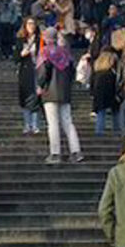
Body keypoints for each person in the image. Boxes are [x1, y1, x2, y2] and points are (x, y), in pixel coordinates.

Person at [36, 27, 83, 165]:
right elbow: (72, 72)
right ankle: (76, 151)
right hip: (64, 91)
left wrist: (40, 85)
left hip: (50, 91)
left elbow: (43, 72)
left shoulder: (45, 52)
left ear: (46, 37)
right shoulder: (66, 53)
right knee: (68, 122)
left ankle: (55, 153)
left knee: (53, 123)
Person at [16, 17, 41, 134]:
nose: (31, 26)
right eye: (29, 24)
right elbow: (15, 58)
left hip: (38, 70)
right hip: (25, 71)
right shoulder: (21, 40)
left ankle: (35, 125)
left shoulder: (40, 39)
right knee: (26, 98)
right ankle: (27, 125)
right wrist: (21, 54)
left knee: (36, 97)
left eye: (33, 24)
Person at [93, 48, 122, 136]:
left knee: (101, 115)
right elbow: (113, 86)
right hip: (111, 95)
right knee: (115, 113)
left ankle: (99, 132)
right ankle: (116, 130)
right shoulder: (111, 74)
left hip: (99, 96)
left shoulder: (97, 73)